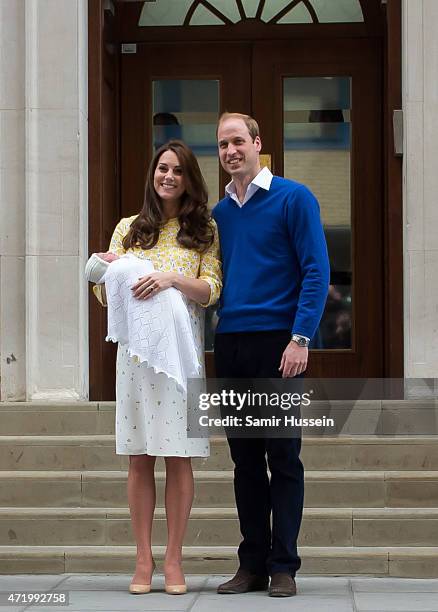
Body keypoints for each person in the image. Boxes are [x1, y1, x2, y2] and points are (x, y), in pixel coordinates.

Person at [87, 141, 221, 595]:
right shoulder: (128, 228)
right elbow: (105, 296)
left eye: (178, 171)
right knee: (140, 458)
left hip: (184, 360)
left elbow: (211, 291)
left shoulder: (204, 229)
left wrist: (170, 278)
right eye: (162, 168)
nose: (168, 176)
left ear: (189, 180)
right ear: (153, 173)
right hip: (138, 361)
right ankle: (142, 560)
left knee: (180, 459)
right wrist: (104, 272)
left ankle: (174, 561)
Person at [212, 113, 330, 597]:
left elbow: (317, 270)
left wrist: (300, 338)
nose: (230, 150)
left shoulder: (294, 197)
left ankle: (284, 565)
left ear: (257, 143)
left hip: (279, 344)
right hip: (231, 343)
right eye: (222, 144)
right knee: (243, 460)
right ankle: (252, 564)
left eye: (238, 141)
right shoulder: (219, 213)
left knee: (282, 455)